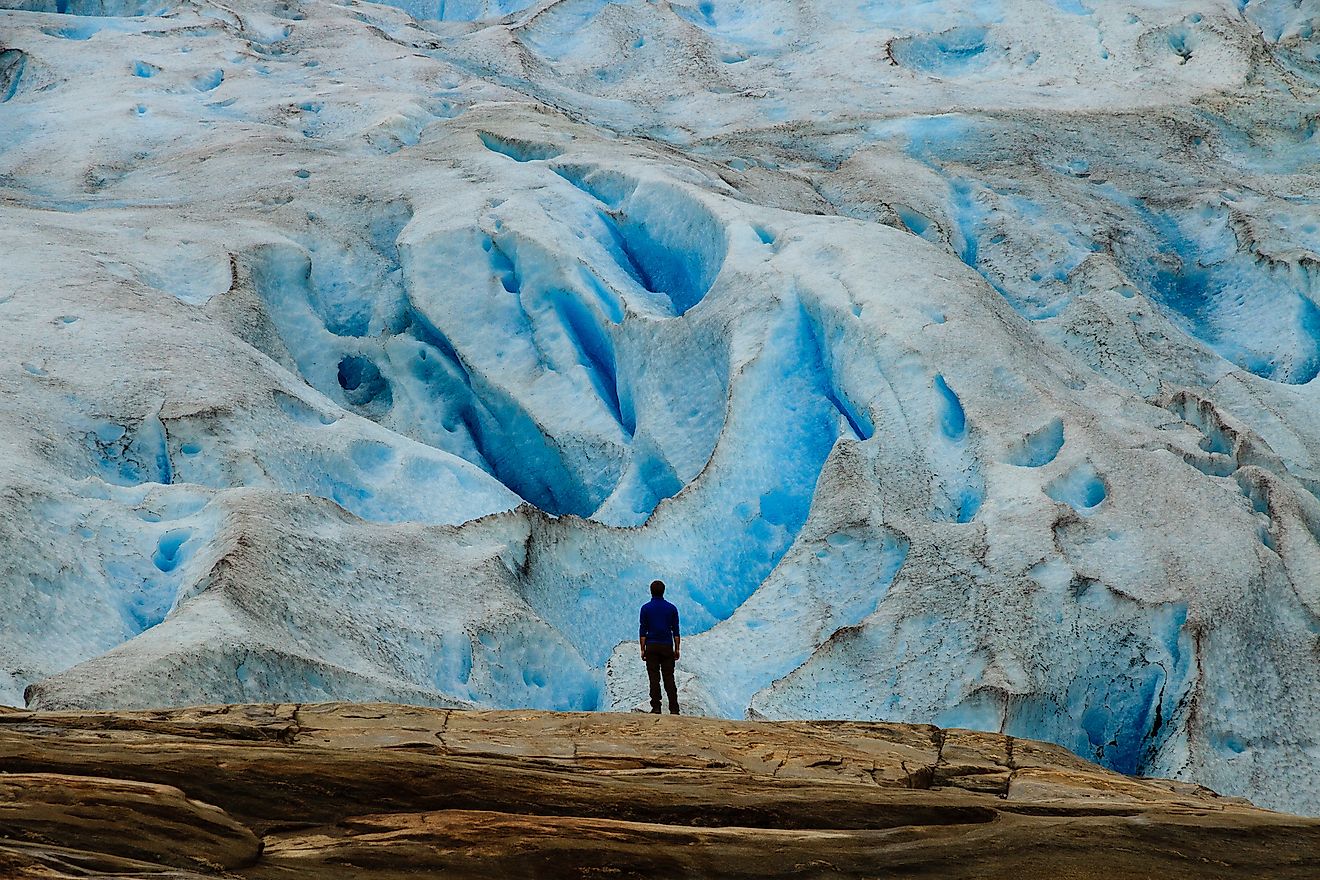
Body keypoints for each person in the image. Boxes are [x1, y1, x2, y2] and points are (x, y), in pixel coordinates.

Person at [639, 579, 680, 715]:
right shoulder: (672, 608)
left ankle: (656, 707)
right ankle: (674, 708)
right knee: (669, 677)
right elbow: (676, 631)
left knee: (654, 678)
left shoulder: (645, 608)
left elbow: (643, 631)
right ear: (663, 591)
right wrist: (677, 649)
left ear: (651, 591)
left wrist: (642, 649)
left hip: (652, 646)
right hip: (666, 646)